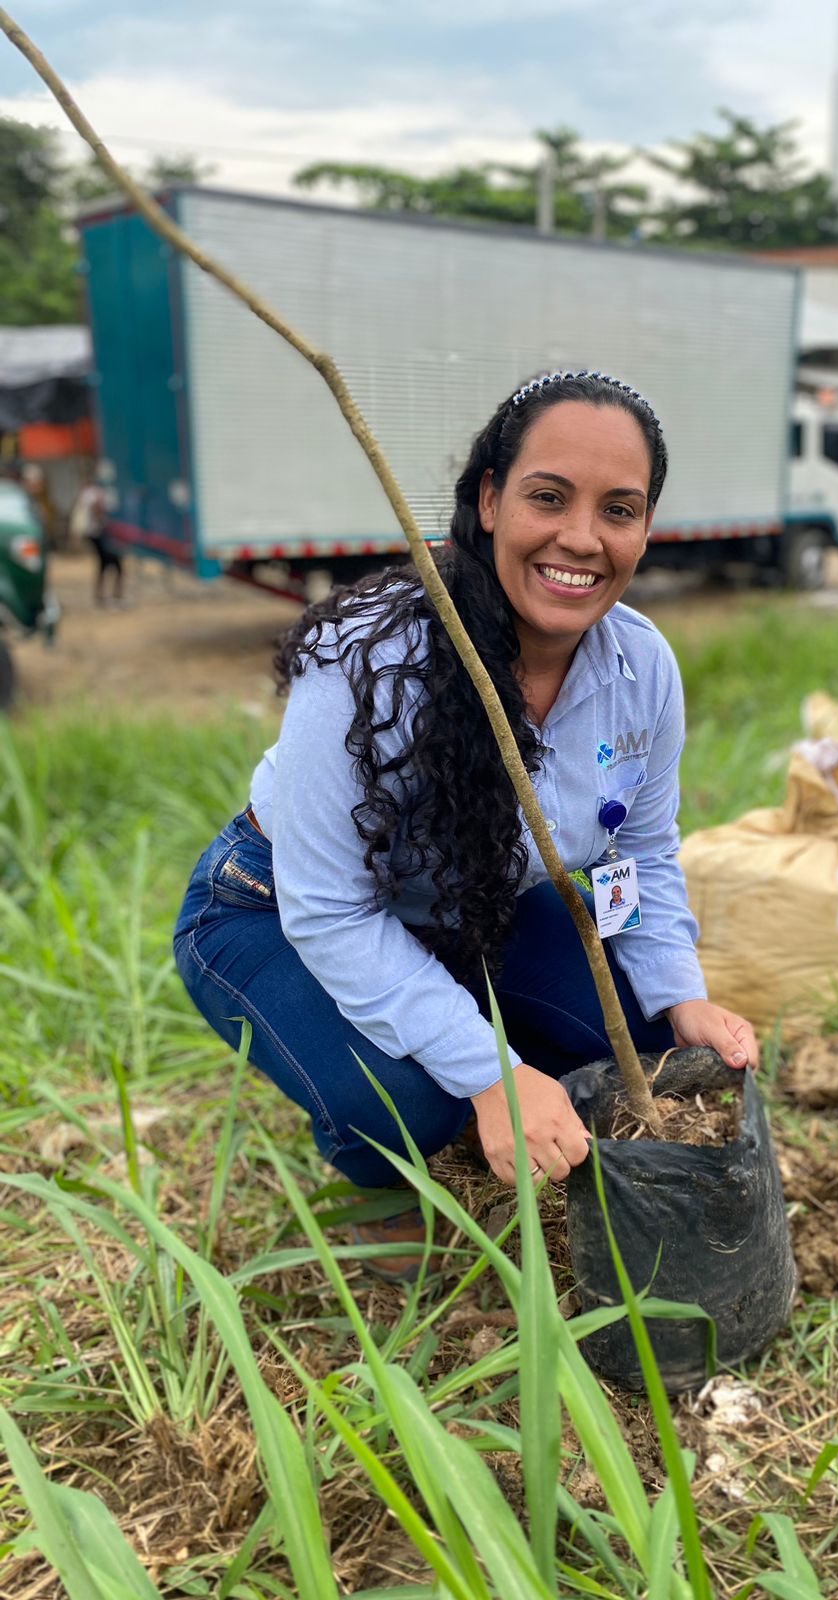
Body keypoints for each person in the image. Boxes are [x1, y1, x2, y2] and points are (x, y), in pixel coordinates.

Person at [174, 371, 758, 1281]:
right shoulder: (367, 664)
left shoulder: (640, 667)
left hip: (475, 908)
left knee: (636, 1034)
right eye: (549, 497)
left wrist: (680, 992)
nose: (582, 538)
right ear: (489, 500)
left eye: (619, 509)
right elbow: (330, 911)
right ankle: (386, 1178)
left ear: (646, 528)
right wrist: (490, 1074)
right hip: (275, 911)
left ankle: (486, 1078)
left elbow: (637, 852)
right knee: (412, 1102)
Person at [71, 470, 125, 605]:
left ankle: (107, 594)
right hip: (98, 533)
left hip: (99, 533)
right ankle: (109, 594)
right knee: (110, 563)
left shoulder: (92, 493)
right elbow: (95, 510)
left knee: (108, 564)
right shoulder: (93, 493)